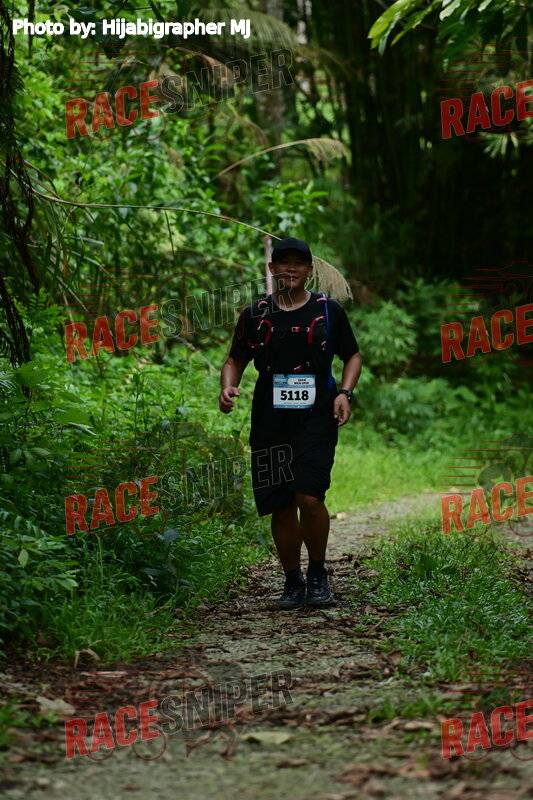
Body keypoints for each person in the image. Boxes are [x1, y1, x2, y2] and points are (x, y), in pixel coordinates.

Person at [218, 237, 362, 609]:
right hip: (270, 419)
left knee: (309, 497)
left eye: (299, 262)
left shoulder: (327, 310)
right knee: (281, 503)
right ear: (272, 268)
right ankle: (292, 581)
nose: (291, 268)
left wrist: (345, 393)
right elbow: (234, 359)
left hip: (317, 415)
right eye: (284, 262)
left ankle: (317, 573)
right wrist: (228, 387)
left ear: (309, 270)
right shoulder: (255, 315)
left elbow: (352, 355)